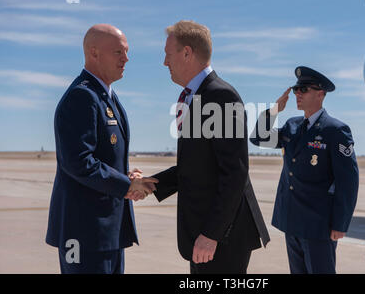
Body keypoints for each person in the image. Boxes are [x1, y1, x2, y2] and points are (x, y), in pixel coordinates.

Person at [150, 20, 270, 274]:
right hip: (207, 234)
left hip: (222, 237)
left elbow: (235, 172)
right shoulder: (196, 97)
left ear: (186, 53)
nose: (164, 62)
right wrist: (152, 183)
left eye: (167, 54)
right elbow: (196, 166)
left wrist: (212, 234)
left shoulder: (220, 96)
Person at [45, 24, 157, 274]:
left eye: (127, 52)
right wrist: (127, 185)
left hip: (108, 233)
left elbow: (102, 159)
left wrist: (126, 177)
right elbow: (78, 162)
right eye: (118, 52)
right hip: (85, 234)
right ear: (94, 53)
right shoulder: (81, 97)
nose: (126, 59)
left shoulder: (106, 96)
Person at [250, 66, 359, 274]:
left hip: (319, 225)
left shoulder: (335, 130)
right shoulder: (293, 126)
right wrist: (273, 111)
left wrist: (340, 223)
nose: (297, 94)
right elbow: (258, 138)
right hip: (292, 220)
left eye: (304, 89)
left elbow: (348, 181)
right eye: (296, 90)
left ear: (320, 94)